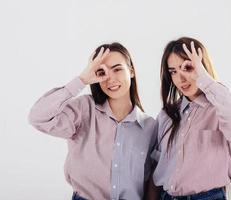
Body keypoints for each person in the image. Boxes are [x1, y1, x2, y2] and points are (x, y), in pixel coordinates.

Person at [28, 42, 157, 200]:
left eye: (117, 69)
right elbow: (38, 117)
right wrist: (82, 79)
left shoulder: (150, 127)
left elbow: (152, 180)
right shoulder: (83, 109)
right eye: (102, 72)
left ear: (131, 71)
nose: (110, 78)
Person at [150, 37, 231, 200]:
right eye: (173, 71)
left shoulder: (221, 110)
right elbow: (156, 166)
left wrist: (203, 78)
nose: (181, 78)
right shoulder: (166, 115)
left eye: (188, 67)